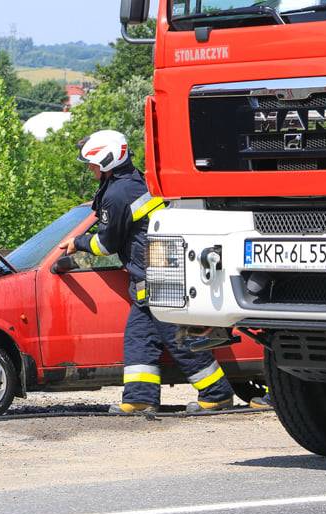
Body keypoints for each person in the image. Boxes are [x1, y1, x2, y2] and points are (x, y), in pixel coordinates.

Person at [61, 130, 235, 414]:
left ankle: (217, 395)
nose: (90, 168)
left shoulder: (117, 194)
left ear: (106, 160)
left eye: (92, 163)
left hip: (159, 275)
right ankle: (140, 399)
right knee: (139, 338)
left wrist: (77, 243)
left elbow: (105, 244)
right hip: (153, 273)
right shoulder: (132, 181)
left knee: (179, 339)